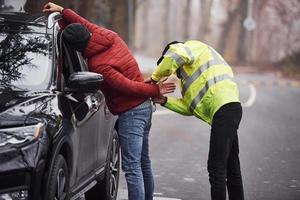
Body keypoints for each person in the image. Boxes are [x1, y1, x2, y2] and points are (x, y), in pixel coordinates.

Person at [43, 3, 176, 200]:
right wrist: (62, 11)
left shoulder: (99, 64)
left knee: (132, 168)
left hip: (132, 112)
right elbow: (83, 22)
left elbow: (127, 87)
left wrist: (154, 89)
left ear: (77, 49)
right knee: (143, 163)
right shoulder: (107, 35)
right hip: (145, 110)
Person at [151, 40, 244, 200]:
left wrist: (154, 79)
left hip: (225, 109)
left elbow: (175, 55)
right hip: (229, 110)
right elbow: (189, 107)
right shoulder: (188, 80)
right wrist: (165, 101)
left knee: (216, 168)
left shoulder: (192, 47)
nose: (174, 73)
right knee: (231, 166)